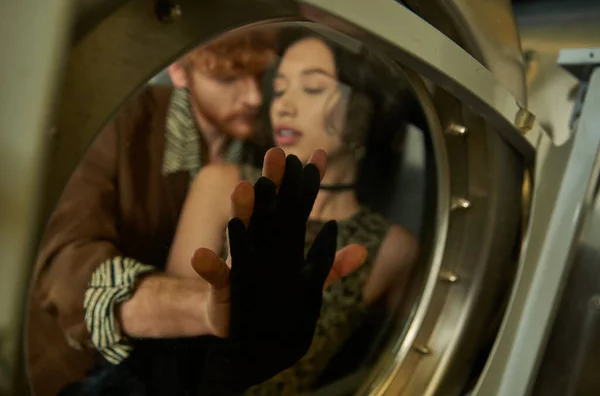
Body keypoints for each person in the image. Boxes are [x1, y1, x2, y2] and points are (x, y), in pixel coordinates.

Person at [27, 26, 363, 396]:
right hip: (69, 368)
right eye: (228, 77)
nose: (253, 97)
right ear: (179, 72)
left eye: (261, 76)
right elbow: (65, 264)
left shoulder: (265, 150)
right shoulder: (121, 121)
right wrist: (204, 306)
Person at [166, 26, 419, 395]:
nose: (282, 105)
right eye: (280, 89)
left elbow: (420, 356)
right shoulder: (224, 187)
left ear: (363, 110)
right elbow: (168, 338)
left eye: (313, 88)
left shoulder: (393, 248)